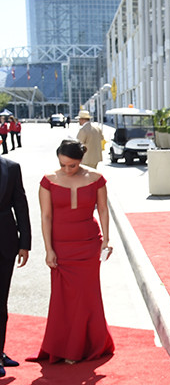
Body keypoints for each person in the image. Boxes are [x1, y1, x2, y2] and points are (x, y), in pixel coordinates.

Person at [31, 139, 114, 364]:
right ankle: (64, 348)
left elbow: (103, 210)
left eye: (72, 165)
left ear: (81, 160)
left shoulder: (96, 179)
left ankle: (88, 346)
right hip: (61, 246)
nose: (67, 170)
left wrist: (106, 240)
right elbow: (46, 216)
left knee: (88, 296)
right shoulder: (48, 181)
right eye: (63, 165)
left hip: (89, 244)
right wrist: (48, 249)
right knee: (63, 298)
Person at [0, 156, 30, 377]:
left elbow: (20, 203)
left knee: (1, 302)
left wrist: (24, 243)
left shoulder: (11, 168)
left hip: (5, 243)